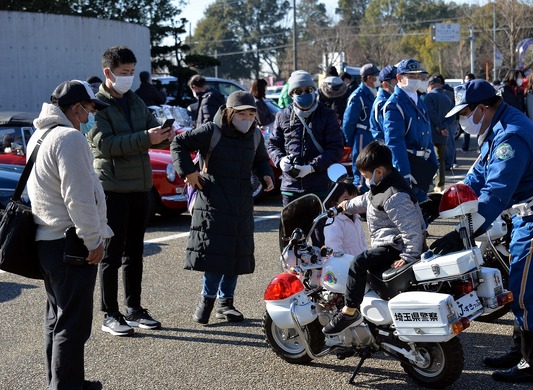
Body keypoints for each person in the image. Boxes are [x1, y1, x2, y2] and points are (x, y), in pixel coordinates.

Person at [433, 79, 533, 384]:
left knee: (528, 292)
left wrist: (463, 233)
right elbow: (476, 178)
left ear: (482, 108)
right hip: (531, 215)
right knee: (519, 285)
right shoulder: (499, 127)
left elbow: (495, 194)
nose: (462, 121)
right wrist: (438, 203)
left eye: (465, 113)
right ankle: (520, 350)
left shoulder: (511, 136)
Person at [27, 80, 112, 390]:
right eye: (89, 109)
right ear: (76, 108)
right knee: (73, 321)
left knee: (57, 317)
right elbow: (78, 198)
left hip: (47, 241)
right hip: (70, 242)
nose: (90, 115)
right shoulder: (70, 138)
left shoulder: (41, 135)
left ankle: (63, 381)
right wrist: (94, 240)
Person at [88, 46, 175, 336]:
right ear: (108, 73)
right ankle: (109, 314)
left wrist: (164, 136)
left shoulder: (136, 100)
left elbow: (151, 135)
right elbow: (106, 145)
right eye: (124, 73)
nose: (128, 78)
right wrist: (145, 138)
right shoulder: (95, 105)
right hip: (112, 188)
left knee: (135, 252)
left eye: (132, 72)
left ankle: (134, 308)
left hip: (139, 187)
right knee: (112, 254)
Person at [171, 91, 275, 324]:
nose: (247, 119)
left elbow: (260, 160)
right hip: (213, 201)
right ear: (229, 113)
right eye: (242, 114)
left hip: (242, 203)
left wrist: (267, 175)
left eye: (251, 114)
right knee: (215, 254)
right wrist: (189, 173)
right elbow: (178, 143)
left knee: (236, 254)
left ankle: (226, 303)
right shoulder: (212, 130)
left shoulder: (255, 135)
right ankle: (206, 301)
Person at [322, 142, 425, 334]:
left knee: (359, 262)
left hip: (395, 247)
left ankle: (350, 311)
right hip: (390, 244)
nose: (365, 180)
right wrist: (343, 207)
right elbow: (365, 199)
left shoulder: (395, 196)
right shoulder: (381, 186)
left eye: (366, 176)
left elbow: (412, 230)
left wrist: (409, 256)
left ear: (378, 172)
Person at [267, 70, 344, 206]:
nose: (304, 94)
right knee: (291, 227)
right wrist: (280, 161)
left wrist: (312, 167)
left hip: (319, 186)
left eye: (308, 90)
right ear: (291, 94)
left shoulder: (327, 115)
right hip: (290, 187)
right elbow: (273, 144)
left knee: (317, 227)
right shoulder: (282, 115)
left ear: (314, 90)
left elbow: (336, 149)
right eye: (298, 91)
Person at [382, 58, 437, 199]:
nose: (417, 79)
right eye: (412, 76)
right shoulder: (394, 104)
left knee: (422, 210)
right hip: (408, 162)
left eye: (418, 76)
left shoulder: (419, 100)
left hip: (422, 165)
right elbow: (395, 142)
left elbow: (427, 135)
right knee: (410, 214)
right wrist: (404, 173)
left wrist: (433, 163)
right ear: (399, 78)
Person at [342, 63, 380, 191]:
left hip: (373, 135)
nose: (379, 78)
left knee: (374, 168)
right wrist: (350, 141)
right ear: (369, 78)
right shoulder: (358, 96)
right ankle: (360, 195)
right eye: (377, 75)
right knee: (362, 170)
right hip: (362, 136)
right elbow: (348, 122)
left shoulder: (375, 92)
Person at [422, 75, 454, 192]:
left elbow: (430, 113)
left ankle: (430, 184)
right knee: (441, 160)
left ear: (430, 85)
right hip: (444, 134)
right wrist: (444, 127)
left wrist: (439, 127)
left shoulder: (429, 97)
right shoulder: (448, 98)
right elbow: (453, 116)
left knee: (429, 159)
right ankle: (440, 185)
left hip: (431, 133)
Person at [323, 182, 368, 256]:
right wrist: (343, 263)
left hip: (359, 263)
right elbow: (334, 248)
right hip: (345, 264)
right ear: (334, 203)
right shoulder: (333, 222)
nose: (351, 203)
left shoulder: (356, 218)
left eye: (355, 199)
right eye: (346, 199)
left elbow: (363, 242)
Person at [370, 65, 397, 141]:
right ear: (385, 84)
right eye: (396, 82)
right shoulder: (382, 103)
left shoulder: (391, 99)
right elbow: (388, 133)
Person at [460, 73, 476, 152]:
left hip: (475, 111)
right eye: (466, 79)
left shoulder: (476, 89)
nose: (467, 81)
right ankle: (465, 147)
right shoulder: (463, 89)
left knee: (479, 130)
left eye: (469, 79)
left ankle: (480, 148)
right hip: (466, 112)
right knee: (466, 130)